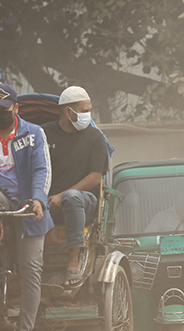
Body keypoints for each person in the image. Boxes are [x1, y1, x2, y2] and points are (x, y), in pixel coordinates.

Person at [0, 83, 54, 331]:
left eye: (3, 109)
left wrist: (38, 199)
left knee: (31, 273)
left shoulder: (33, 133)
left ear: (15, 108)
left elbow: (42, 169)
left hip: (30, 208)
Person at [42, 86, 108, 288]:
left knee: (72, 196)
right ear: (67, 111)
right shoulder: (44, 133)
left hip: (84, 204)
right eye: (83, 110)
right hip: (49, 203)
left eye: (89, 109)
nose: (87, 114)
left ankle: (72, 262)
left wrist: (61, 196)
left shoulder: (95, 138)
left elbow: (96, 176)